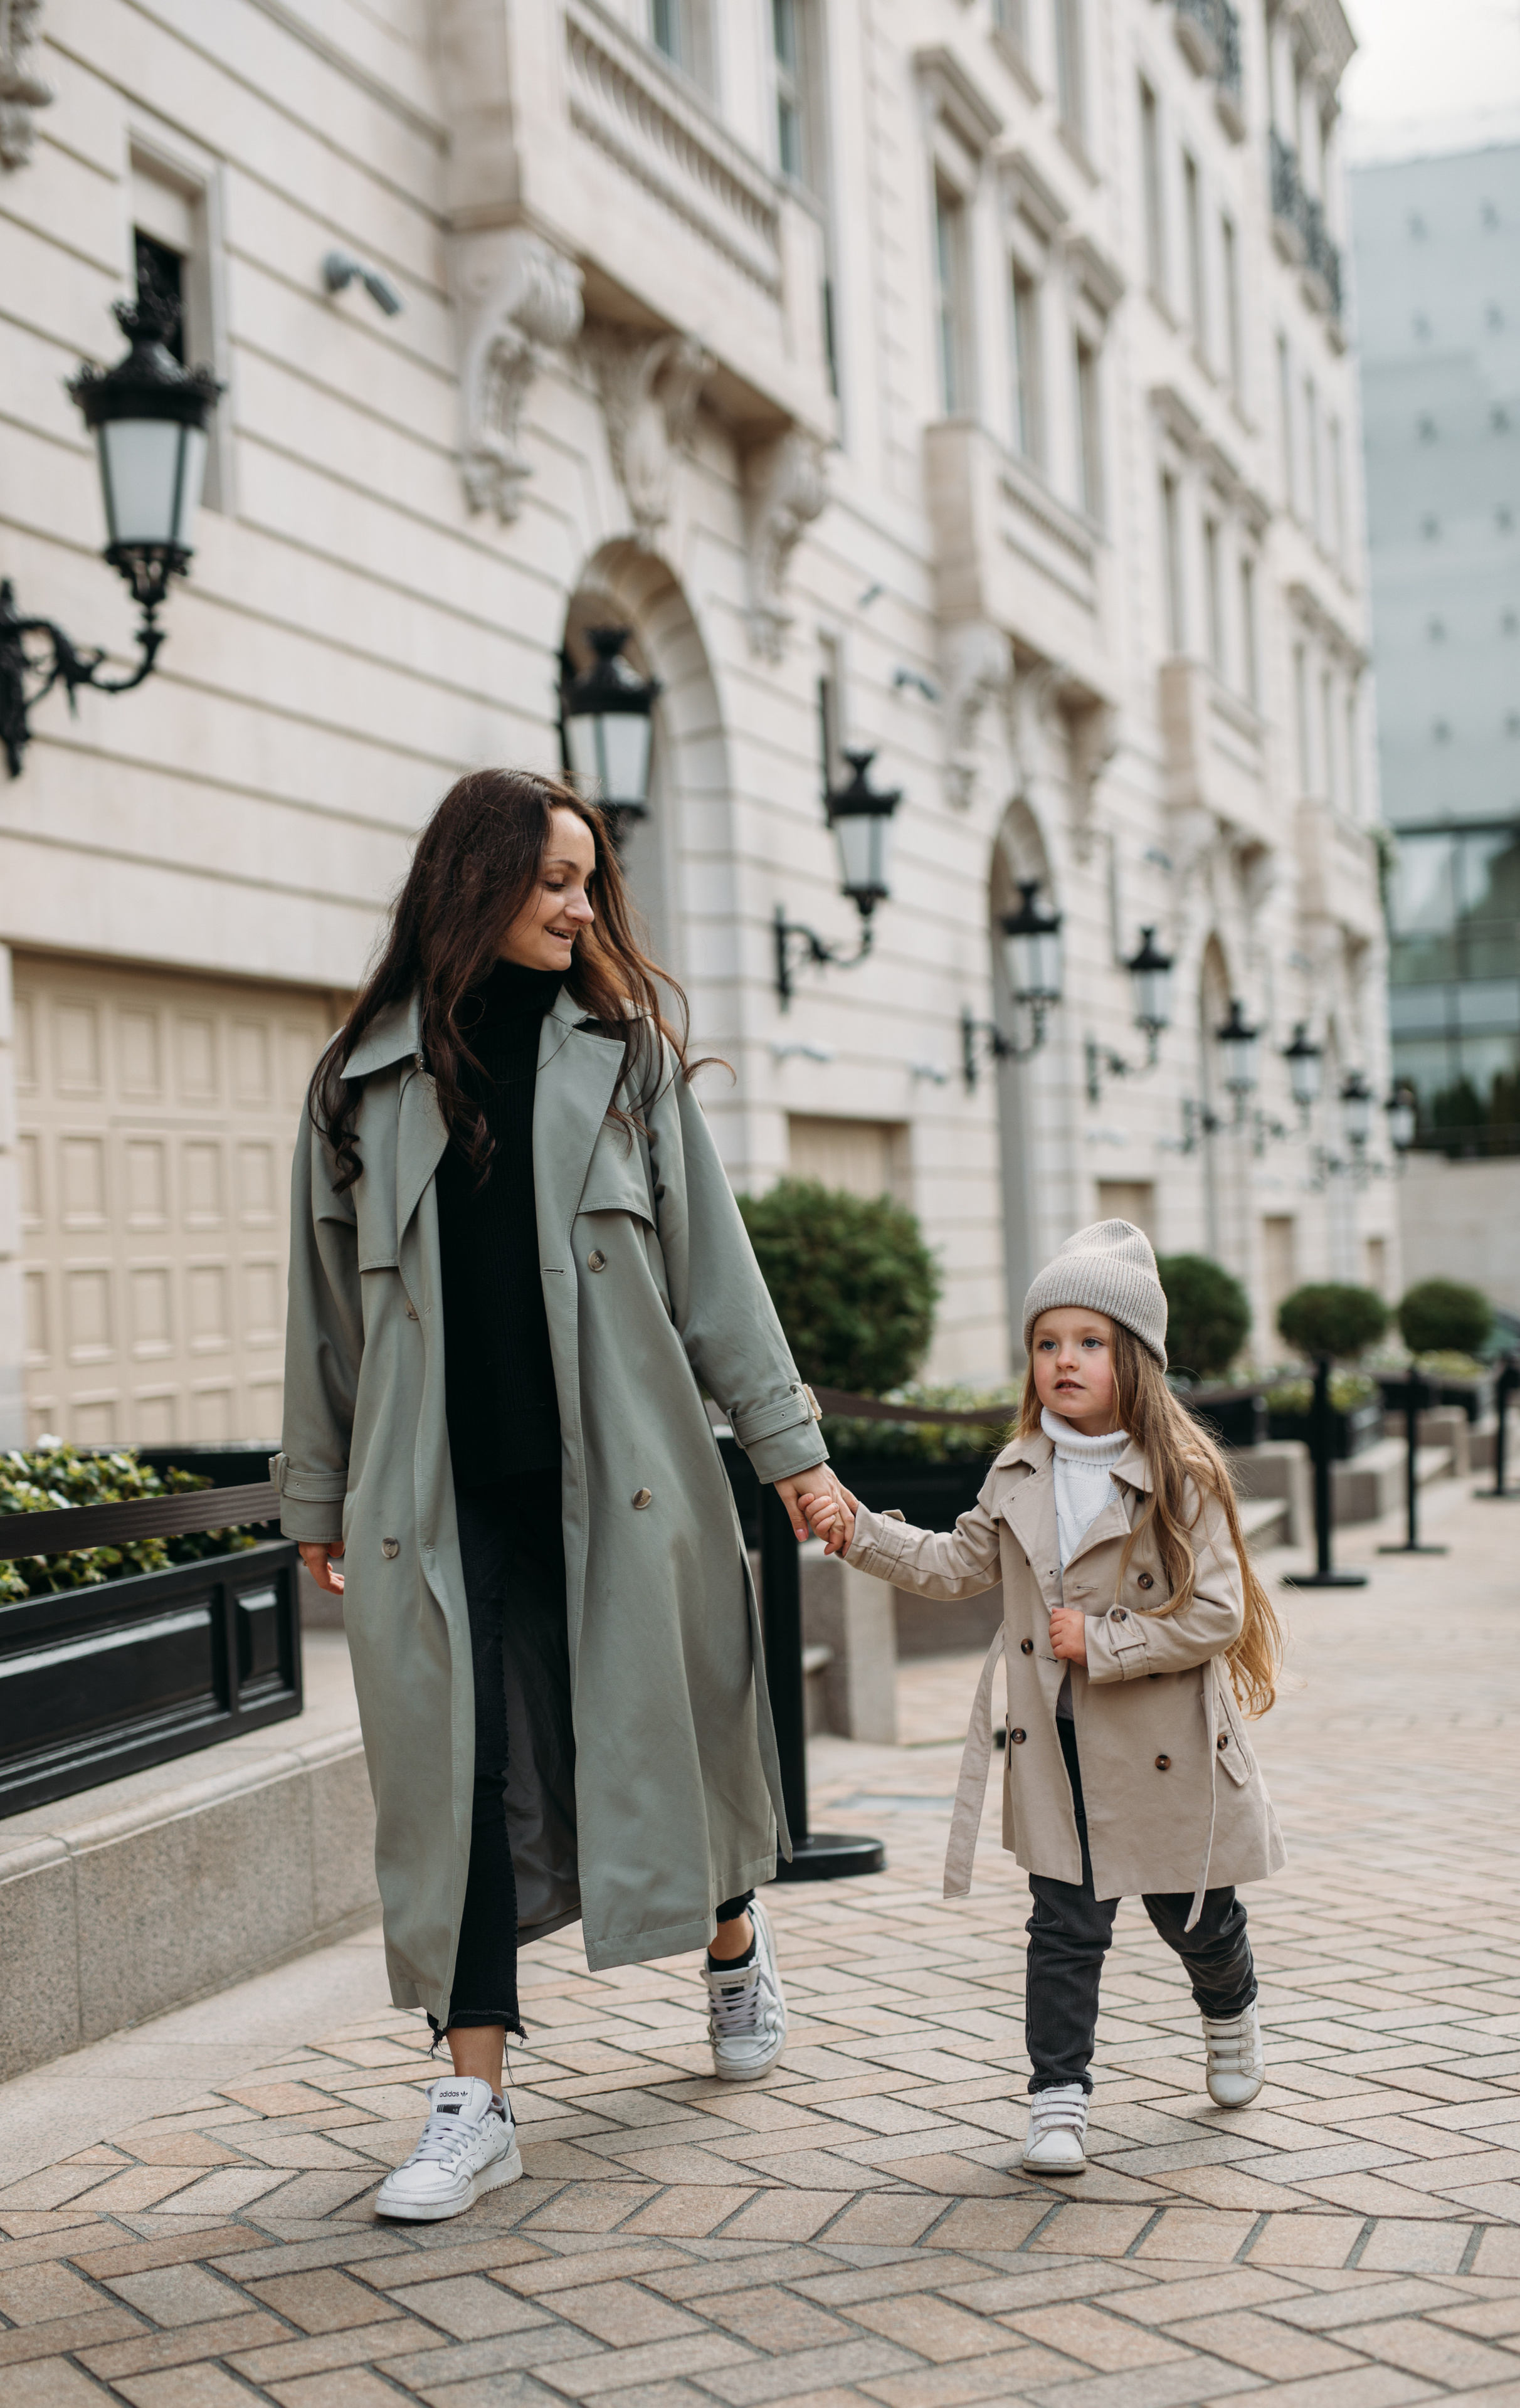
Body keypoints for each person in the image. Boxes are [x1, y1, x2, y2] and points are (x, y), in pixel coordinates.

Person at [277, 768, 845, 2222]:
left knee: (663, 1741)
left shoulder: (626, 1060)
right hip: (440, 1502)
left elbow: (715, 1274)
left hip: (630, 1485)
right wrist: (321, 1494)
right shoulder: (356, 1086)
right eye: (553, 882)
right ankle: (472, 2097)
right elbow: (325, 1315)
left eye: (587, 880)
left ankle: (729, 1939)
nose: (582, 906)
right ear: (472, 887)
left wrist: (792, 1455)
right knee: (456, 1787)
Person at [803, 1220, 1284, 2175]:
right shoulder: (1019, 1467)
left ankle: (1230, 2011)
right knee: (1065, 1927)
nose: (1064, 1360)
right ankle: (1057, 2098)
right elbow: (956, 1562)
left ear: (1134, 1360)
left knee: (1194, 1919)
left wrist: (1105, 1640)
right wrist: (857, 1531)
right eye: (1047, 1342)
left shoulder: (1178, 1477)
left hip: (1164, 1744)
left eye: (1090, 1343)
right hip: (1056, 1743)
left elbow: (1219, 1615)